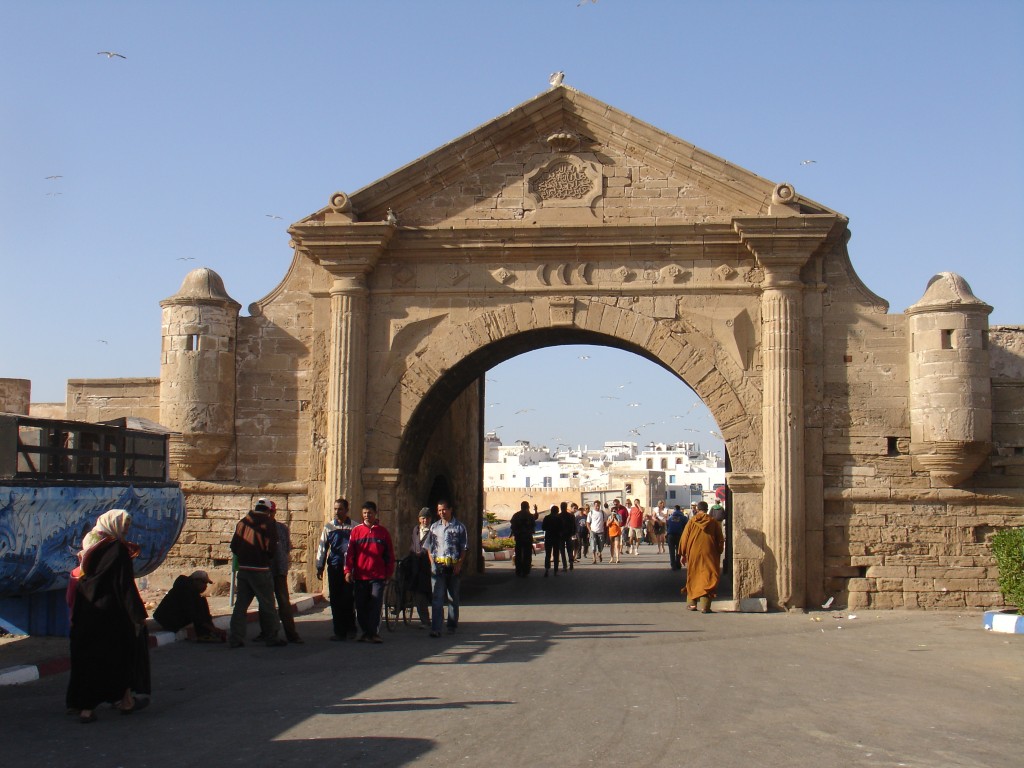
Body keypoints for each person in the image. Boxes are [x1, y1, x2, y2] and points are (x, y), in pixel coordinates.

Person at [66, 509, 151, 724]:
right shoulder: (116, 550)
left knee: (86, 659)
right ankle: (110, 703)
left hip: (86, 610)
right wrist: (137, 614)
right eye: (124, 526)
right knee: (120, 656)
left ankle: (104, 702)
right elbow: (125, 586)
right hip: (111, 614)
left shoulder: (92, 544)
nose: (126, 530)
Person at [229, 498, 286, 648]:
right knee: (267, 604)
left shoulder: (242, 523)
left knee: (240, 605)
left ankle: (235, 637)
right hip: (261, 569)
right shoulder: (268, 524)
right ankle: (272, 636)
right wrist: (266, 558)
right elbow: (271, 547)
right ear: (268, 510)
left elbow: (234, 546)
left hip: (244, 569)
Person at [345, 501, 395, 643]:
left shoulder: (383, 532)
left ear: (375, 514)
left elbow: (389, 554)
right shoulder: (356, 531)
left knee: (375, 604)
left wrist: (388, 573)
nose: (367, 515)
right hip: (361, 575)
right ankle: (366, 631)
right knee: (360, 605)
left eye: (370, 513)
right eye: (365, 513)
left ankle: (373, 633)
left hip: (377, 576)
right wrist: (348, 570)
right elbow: (350, 553)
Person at [426, 499, 469, 637]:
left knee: (453, 597)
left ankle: (451, 624)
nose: (441, 513)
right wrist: (432, 562)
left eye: (444, 509)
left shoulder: (459, 527)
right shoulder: (434, 527)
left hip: (453, 567)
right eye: (439, 510)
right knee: (437, 597)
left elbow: (464, 548)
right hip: (438, 567)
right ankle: (436, 628)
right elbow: (429, 547)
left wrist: (459, 564)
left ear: (450, 509)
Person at [315, 498, 356, 641]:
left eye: (340, 509)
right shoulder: (329, 527)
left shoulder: (355, 527)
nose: (337, 512)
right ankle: (339, 631)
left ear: (346, 510)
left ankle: (351, 628)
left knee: (348, 598)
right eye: (335, 509)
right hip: (334, 566)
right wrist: (319, 566)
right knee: (335, 599)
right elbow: (322, 547)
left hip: (349, 568)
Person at [678, 501, 725, 613]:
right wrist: (719, 551)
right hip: (709, 552)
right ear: (707, 509)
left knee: (693, 575)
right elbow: (720, 539)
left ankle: (692, 603)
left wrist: (682, 553)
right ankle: (705, 605)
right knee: (708, 576)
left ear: (697, 509)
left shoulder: (691, 521)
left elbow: (684, 538)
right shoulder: (713, 522)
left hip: (693, 552)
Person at [153, 569, 225, 642]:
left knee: (202, 601)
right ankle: (203, 634)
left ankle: (206, 633)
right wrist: (212, 629)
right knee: (199, 605)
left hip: (172, 616)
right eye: (204, 583)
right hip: (167, 619)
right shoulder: (185, 591)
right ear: (196, 581)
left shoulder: (191, 591)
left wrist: (212, 627)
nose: (205, 586)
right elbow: (193, 614)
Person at [268, 501, 303, 644]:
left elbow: (287, 547)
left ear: (274, 512)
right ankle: (270, 632)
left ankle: (290, 633)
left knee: (283, 602)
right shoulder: (275, 528)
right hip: (267, 569)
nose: (268, 514)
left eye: (271, 512)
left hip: (277, 569)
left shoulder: (281, 528)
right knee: (269, 603)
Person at [405, 507, 433, 626]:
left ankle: (437, 618)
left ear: (430, 519)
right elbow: (413, 544)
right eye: (422, 518)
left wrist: (421, 553)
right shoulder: (416, 530)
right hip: (416, 567)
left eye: (426, 518)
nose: (424, 521)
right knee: (419, 594)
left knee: (432, 595)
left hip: (428, 566)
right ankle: (425, 620)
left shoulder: (433, 531)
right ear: (419, 519)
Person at [510, 500, 537, 577]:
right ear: (527, 507)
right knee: (527, 554)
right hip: (527, 538)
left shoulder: (516, 515)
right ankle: (526, 570)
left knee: (518, 554)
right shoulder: (530, 516)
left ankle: (518, 570)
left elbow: (512, 526)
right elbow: (533, 526)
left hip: (519, 537)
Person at [542, 505, 562, 577]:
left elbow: (543, 528)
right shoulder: (559, 518)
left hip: (548, 537)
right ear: (557, 511)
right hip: (556, 538)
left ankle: (546, 570)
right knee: (556, 554)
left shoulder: (546, 518)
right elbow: (561, 528)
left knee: (548, 554)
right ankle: (555, 571)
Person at [665, 504, 688, 570]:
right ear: (680, 510)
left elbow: (668, 525)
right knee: (678, 549)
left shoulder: (670, 517)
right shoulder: (683, 517)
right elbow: (686, 526)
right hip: (679, 535)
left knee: (671, 550)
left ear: (674, 510)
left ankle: (673, 565)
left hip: (671, 534)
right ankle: (678, 563)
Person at [558, 501, 576, 570]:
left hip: (561, 535)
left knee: (562, 551)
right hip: (569, 534)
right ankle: (571, 563)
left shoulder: (558, 516)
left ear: (561, 507)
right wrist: (573, 533)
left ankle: (564, 566)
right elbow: (574, 525)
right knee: (570, 550)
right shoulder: (571, 516)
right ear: (566, 507)